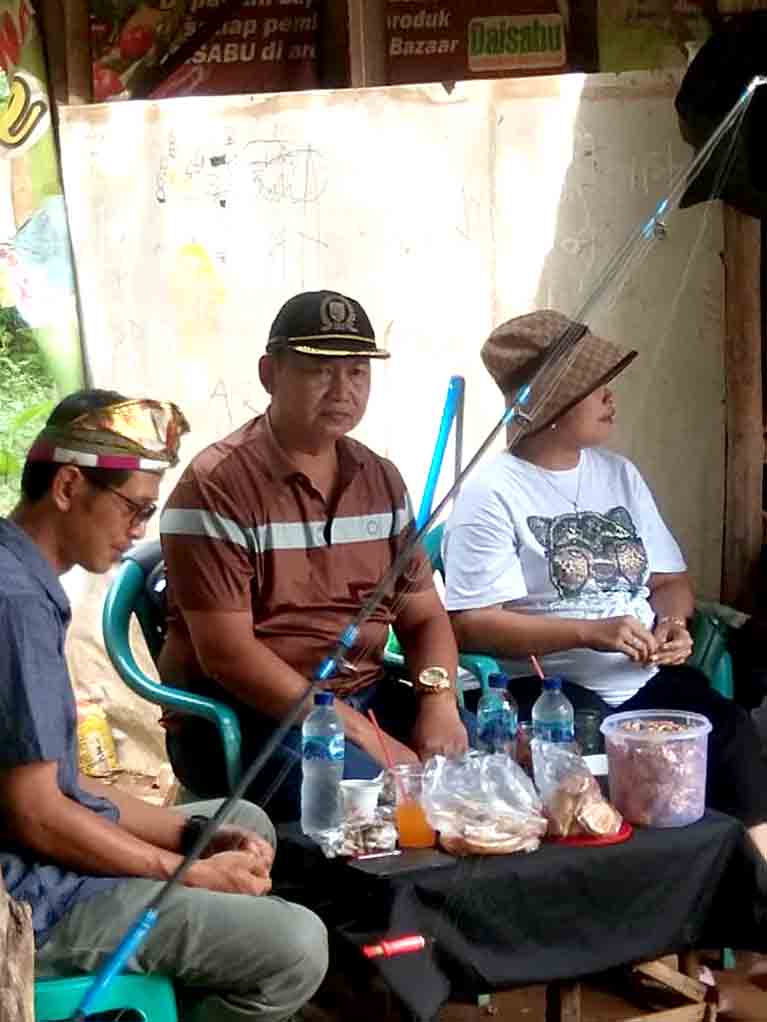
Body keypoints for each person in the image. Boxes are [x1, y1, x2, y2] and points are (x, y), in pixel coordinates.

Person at [0, 389, 328, 1022]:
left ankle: (166, 994)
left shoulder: (23, 578)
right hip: (31, 900)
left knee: (244, 823)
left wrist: (191, 834)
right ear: (69, 486)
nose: (139, 530)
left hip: (40, 853)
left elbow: (63, 784)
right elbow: (36, 816)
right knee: (297, 947)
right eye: (134, 508)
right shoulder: (14, 603)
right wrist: (183, 870)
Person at [443, 309, 767, 865]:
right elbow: (471, 622)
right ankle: (643, 934)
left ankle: (755, 918)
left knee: (730, 731)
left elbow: (670, 582)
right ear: (546, 402)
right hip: (551, 691)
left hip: (642, 679)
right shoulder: (492, 492)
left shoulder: (619, 473)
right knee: (592, 761)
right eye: (593, 387)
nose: (610, 397)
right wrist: (588, 632)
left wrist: (672, 625)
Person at [159, 290, 473, 821]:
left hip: (365, 694)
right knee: (381, 809)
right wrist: (364, 737)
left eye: (357, 373)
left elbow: (424, 616)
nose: (342, 391)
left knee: (497, 774)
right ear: (268, 373)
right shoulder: (217, 485)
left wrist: (437, 701)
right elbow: (229, 657)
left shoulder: (380, 479)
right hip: (251, 716)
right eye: (319, 371)